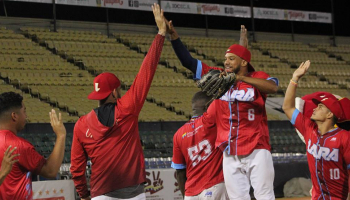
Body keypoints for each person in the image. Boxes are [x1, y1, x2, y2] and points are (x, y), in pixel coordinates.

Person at [166, 21, 278, 199]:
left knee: (265, 195)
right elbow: (188, 62)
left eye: (230, 59)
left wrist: (241, 77)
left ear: (243, 62)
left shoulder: (257, 78)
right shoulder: (220, 77)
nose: (226, 62)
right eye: (225, 59)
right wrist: (174, 37)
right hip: (229, 151)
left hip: (256, 147)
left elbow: (272, 87)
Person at [70, 4, 166, 200]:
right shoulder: (127, 108)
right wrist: (161, 33)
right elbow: (146, 73)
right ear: (114, 92)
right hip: (133, 193)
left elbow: (76, 169)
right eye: (120, 90)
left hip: (100, 193)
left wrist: (84, 194)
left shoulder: (81, 125)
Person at [282, 60, 350, 200]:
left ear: (330, 114)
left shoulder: (345, 137)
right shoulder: (309, 129)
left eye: (320, 107)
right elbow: (287, 107)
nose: (314, 108)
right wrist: (294, 79)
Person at [0, 91, 67, 200]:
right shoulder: (18, 146)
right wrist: (61, 135)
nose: (26, 116)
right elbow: (50, 170)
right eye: (24, 111)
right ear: (14, 116)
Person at [172, 91, 228, 200]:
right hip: (214, 186)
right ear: (209, 106)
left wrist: (186, 196)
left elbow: (179, 172)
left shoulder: (178, 134)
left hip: (191, 193)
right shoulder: (211, 122)